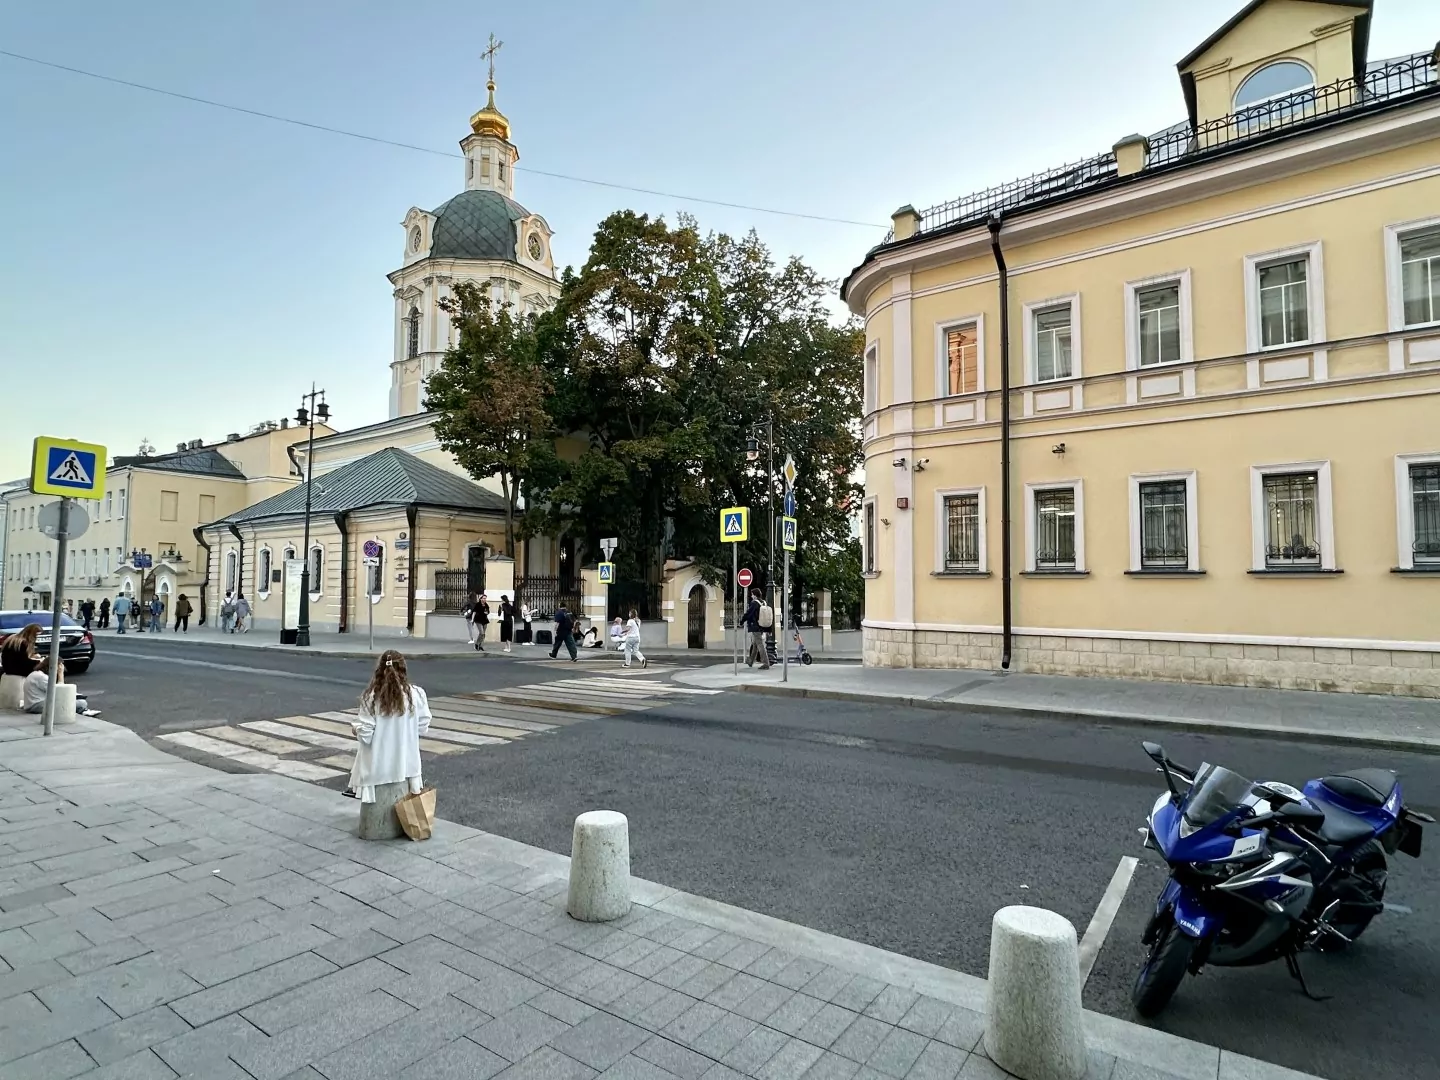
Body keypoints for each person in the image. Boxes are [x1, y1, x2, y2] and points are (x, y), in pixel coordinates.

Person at [342, 650, 430, 802]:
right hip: (407, 767)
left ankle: (353, 786)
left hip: (377, 771)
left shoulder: (371, 697)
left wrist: (356, 729)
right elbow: (423, 726)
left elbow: (366, 736)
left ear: (379, 670)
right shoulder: (417, 694)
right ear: (403, 669)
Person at [24, 663, 100, 717]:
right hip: (36, 705)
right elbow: (59, 691)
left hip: (34, 703)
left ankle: (83, 711)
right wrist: (61, 675)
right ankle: (83, 710)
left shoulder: (37, 674)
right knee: (82, 703)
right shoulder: (41, 677)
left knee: (76, 701)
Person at [741, 588, 771, 669]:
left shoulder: (754, 603)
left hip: (755, 626)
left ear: (755, 595)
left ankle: (766, 663)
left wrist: (742, 620)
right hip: (762, 626)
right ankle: (751, 661)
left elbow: (749, 613)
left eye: (752, 594)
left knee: (760, 645)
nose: (751, 596)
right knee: (755, 644)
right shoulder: (763, 602)